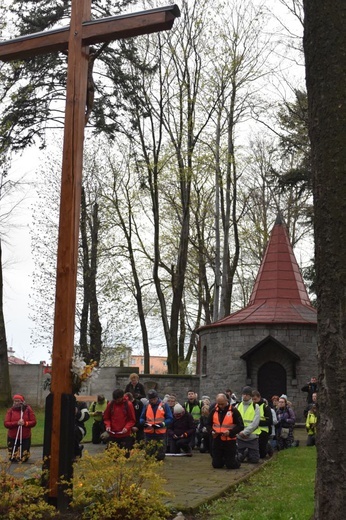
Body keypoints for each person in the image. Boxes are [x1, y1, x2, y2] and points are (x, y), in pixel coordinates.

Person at [207, 393, 243, 469]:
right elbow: (208, 424)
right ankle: (222, 459)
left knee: (231, 466)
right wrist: (211, 431)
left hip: (229, 440)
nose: (220, 406)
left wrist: (230, 432)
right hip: (217, 439)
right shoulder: (214, 411)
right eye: (218, 404)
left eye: (222, 404)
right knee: (216, 465)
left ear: (226, 401)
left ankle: (237, 458)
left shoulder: (234, 411)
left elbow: (241, 425)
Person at [140, 389, 173, 460]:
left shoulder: (164, 405)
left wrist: (163, 423)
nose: (153, 401)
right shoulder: (146, 405)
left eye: (154, 399)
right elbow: (141, 418)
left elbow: (170, 418)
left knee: (160, 456)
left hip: (160, 433)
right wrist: (143, 422)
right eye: (151, 400)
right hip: (149, 433)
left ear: (157, 397)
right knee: (148, 456)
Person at [4, 394, 36, 462]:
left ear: (22, 401)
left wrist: (25, 423)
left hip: (25, 437)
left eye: (18, 401)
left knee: (24, 458)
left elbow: (33, 422)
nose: (16, 403)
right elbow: (6, 424)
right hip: (13, 437)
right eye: (15, 401)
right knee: (13, 458)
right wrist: (16, 423)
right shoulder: (11, 411)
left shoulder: (28, 410)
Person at [236, 386, 261, 464]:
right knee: (238, 459)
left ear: (250, 396)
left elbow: (255, 423)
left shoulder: (255, 407)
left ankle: (248, 453)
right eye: (243, 394)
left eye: (247, 394)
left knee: (254, 460)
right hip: (239, 437)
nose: (245, 396)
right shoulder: (237, 406)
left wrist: (245, 432)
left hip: (251, 437)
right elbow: (234, 422)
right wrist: (240, 433)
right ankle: (245, 453)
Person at [252, 390, 273, 459]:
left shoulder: (265, 407)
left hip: (263, 430)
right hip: (253, 430)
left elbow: (269, 421)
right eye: (252, 399)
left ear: (259, 397)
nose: (254, 401)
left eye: (255, 399)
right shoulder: (251, 407)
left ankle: (267, 447)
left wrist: (257, 423)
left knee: (262, 455)